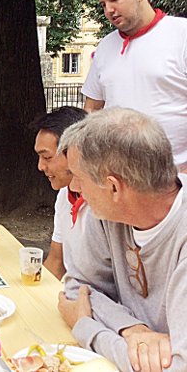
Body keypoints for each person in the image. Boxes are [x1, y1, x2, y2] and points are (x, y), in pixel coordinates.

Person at [57, 108, 187, 372]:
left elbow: (174, 368)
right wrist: (132, 330)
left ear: (114, 187)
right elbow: (79, 287)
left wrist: (87, 328)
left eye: (79, 178)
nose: (74, 188)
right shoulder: (107, 214)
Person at [81, 0, 187, 171]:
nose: (108, 10)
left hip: (177, 176)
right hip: (119, 175)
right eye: (103, 4)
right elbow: (92, 109)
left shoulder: (181, 34)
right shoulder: (105, 46)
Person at [31, 106, 87, 280]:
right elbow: (56, 261)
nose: (40, 167)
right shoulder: (65, 194)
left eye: (47, 158)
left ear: (75, 153)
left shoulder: (105, 204)